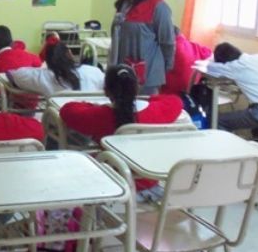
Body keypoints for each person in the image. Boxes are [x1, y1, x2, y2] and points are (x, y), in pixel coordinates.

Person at [59, 65, 182, 200]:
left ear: (106, 91)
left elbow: (67, 110)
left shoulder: (99, 115)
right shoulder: (158, 111)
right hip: (150, 183)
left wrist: (92, 106)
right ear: (137, 87)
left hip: (111, 185)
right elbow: (175, 101)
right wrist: (149, 99)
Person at [106, 0, 176, 95]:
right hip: (123, 73)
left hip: (146, 77)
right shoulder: (123, 5)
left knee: (144, 114)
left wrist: (165, 68)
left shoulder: (157, 6)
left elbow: (167, 42)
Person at [207, 42, 258, 135]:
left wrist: (212, 60)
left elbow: (210, 67)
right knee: (250, 108)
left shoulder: (235, 66)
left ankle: (227, 147)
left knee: (216, 120)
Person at [8, 42, 105, 96]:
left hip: (61, 125)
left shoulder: (43, 76)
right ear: (70, 54)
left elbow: (17, 75)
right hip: (94, 122)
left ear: (47, 60)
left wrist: (42, 69)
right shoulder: (93, 71)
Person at [160, 27, 213, 95]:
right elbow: (212, 55)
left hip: (169, 94)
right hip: (191, 94)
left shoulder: (167, 50)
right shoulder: (194, 46)